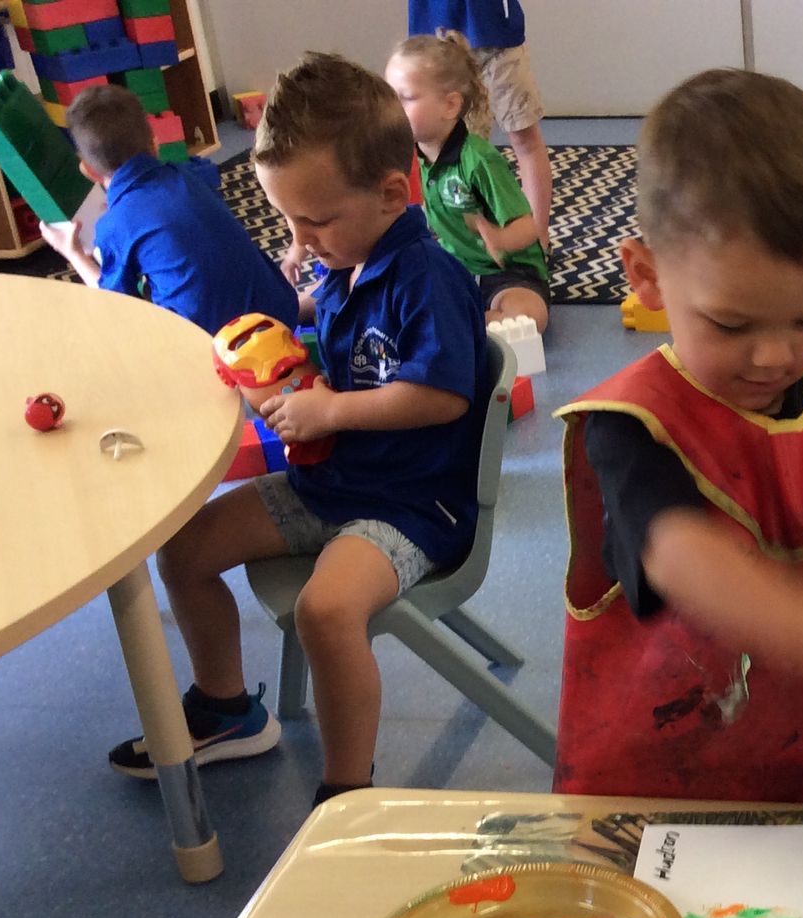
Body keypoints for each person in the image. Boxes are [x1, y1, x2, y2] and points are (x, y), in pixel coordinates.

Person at [553, 68, 803, 804]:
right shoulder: (633, 424)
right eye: (732, 325)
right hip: (672, 779)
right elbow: (678, 549)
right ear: (646, 276)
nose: (775, 355)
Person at [106, 52, 495, 807]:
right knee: (183, 551)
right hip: (331, 483)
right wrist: (287, 329)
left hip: (410, 508)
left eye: (313, 220)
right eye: (285, 219)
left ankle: (346, 793)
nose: (299, 238)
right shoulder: (350, 260)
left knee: (325, 609)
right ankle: (225, 709)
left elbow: (443, 396)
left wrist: (334, 410)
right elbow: (334, 330)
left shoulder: (429, 279)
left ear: (391, 193)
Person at [42, 84, 297, 333]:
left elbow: (117, 305)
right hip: (282, 310)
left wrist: (74, 252)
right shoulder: (187, 174)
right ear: (155, 143)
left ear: (88, 170)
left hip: (218, 348)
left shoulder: (115, 225)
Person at [385, 33, 550, 330]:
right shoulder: (409, 153)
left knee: (529, 317)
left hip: (509, 274)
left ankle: (470, 326)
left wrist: (499, 239)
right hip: (455, 270)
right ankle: (463, 324)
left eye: (406, 98)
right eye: (389, 96)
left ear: (450, 106)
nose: (392, 109)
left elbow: (528, 228)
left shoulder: (478, 160)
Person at [407, 0, 552, 233]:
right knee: (448, 148)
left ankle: (536, 238)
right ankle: (461, 240)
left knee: (523, 136)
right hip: (437, 38)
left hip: (497, 37)